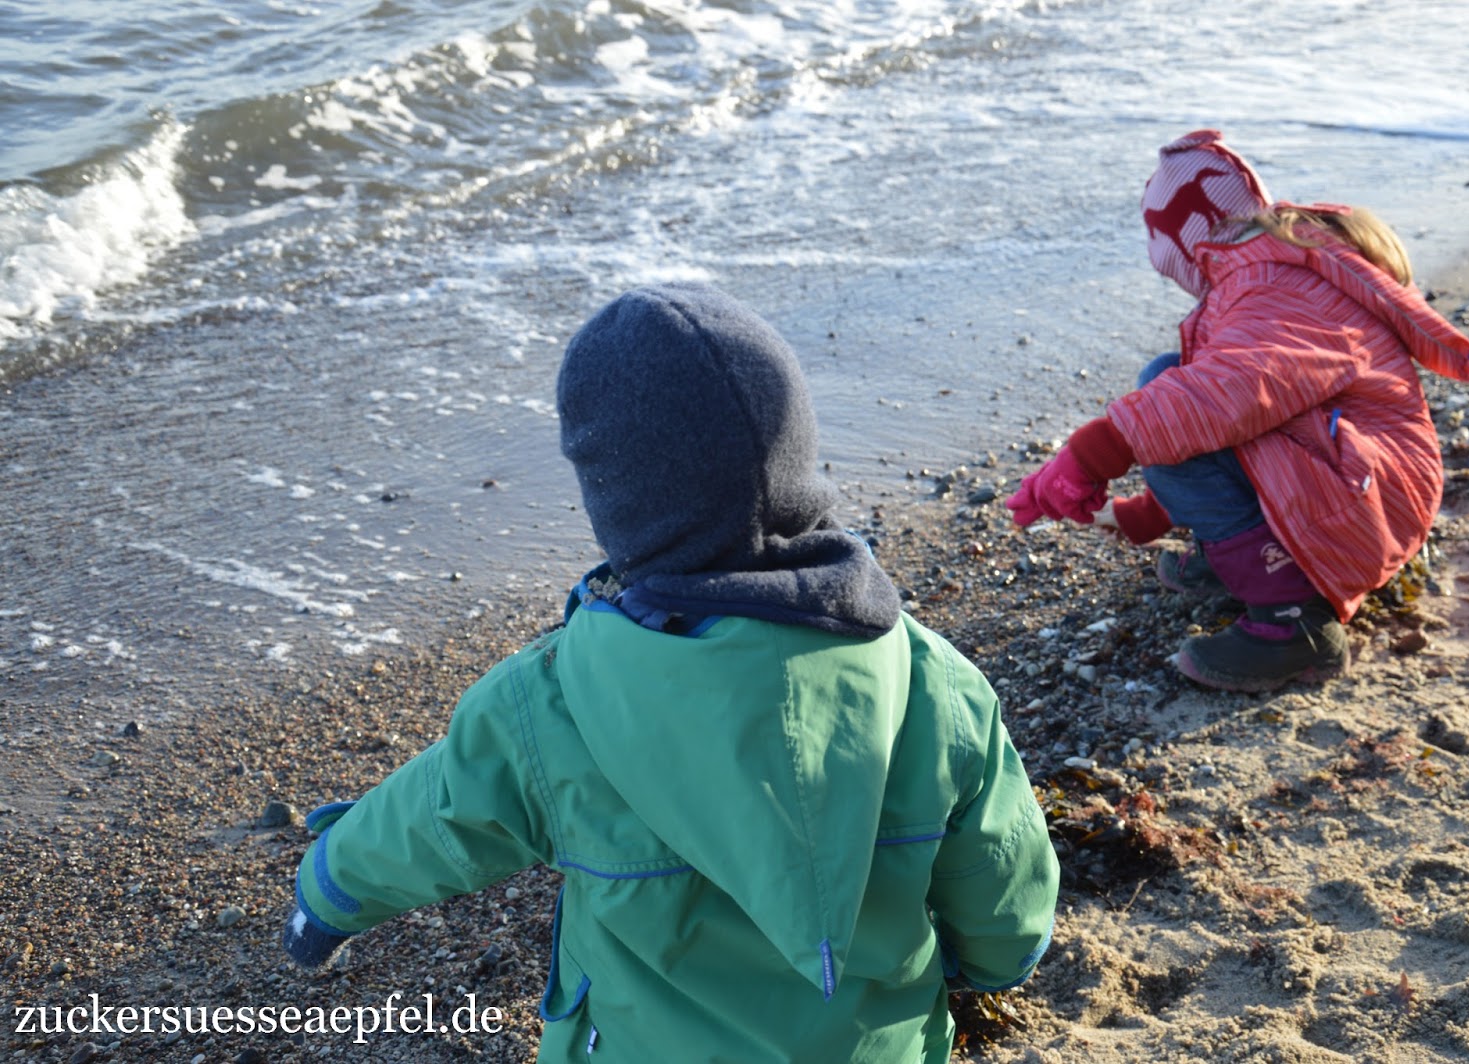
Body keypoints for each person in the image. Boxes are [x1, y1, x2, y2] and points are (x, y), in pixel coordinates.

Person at [280, 283, 1060, 1062]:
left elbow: (440, 811)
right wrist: (989, 964)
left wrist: (328, 890)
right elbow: (1002, 878)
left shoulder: (550, 703)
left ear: (616, 503)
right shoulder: (933, 684)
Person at [1006, 129, 1469, 693]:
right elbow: (1233, 402)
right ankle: (1242, 554)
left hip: (1369, 501)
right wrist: (1148, 514)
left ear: (1191, 244)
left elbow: (1229, 396)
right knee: (1168, 381)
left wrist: (1095, 451)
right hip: (1360, 482)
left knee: (1174, 413)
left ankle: (1295, 623)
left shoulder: (1268, 285)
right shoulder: (1274, 266)